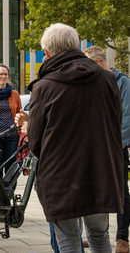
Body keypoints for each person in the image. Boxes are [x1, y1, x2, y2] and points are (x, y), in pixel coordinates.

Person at [25, 23, 123, 252]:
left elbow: (35, 140)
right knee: (99, 236)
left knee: (68, 240)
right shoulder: (107, 79)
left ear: (47, 53)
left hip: (61, 177)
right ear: (77, 46)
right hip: (102, 170)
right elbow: (115, 123)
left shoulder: (44, 86)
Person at [84, 45, 130, 253]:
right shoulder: (92, 83)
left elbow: (127, 119)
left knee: (121, 193)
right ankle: (98, 234)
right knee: (96, 192)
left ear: (97, 63)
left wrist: (110, 144)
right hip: (96, 148)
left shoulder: (124, 83)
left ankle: (122, 239)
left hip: (115, 147)